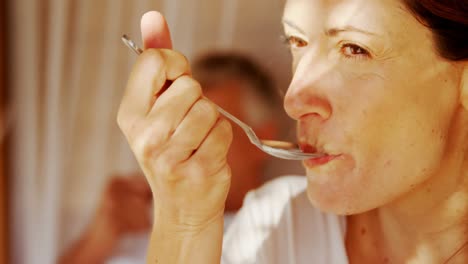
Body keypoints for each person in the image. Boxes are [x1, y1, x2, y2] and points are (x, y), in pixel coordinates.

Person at [117, 1, 468, 263]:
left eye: (355, 49)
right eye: (296, 43)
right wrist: (184, 218)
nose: (293, 101)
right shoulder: (276, 227)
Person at [58, 53, 280, 264]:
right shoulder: (134, 223)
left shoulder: (277, 231)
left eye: (209, 125)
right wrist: (98, 238)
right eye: (181, 124)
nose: (187, 140)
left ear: (264, 137)